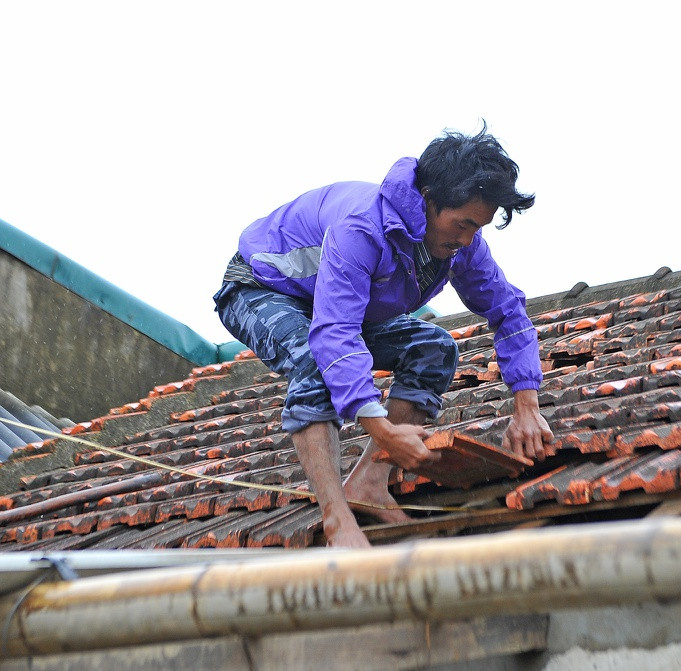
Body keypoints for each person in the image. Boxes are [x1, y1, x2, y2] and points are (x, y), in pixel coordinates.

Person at [213, 126, 553, 548]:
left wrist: (526, 405)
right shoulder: (363, 228)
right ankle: (336, 516)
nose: (467, 239)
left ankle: (369, 484)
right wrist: (383, 431)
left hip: (342, 304)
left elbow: (507, 309)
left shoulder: (462, 244)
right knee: (313, 362)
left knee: (434, 348)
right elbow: (335, 333)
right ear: (429, 199)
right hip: (262, 288)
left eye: (477, 228)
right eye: (462, 224)